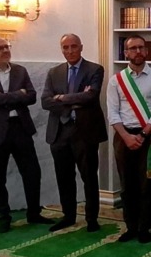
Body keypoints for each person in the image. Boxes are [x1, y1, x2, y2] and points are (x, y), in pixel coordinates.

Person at [0, 35, 53, 233]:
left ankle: (34, 213)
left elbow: (31, 97)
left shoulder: (20, 71)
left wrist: (3, 96)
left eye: (7, 46)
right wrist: (18, 95)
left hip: (20, 128)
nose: (5, 50)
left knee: (32, 173)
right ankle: (3, 217)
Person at [40, 33, 107, 232]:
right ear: (62, 49)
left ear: (81, 47)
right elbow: (45, 101)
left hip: (85, 132)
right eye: (65, 47)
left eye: (74, 46)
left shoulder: (95, 69)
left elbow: (91, 96)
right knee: (64, 177)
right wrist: (72, 102)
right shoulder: (54, 72)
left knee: (89, 177)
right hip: (59, 132)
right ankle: (68, 216)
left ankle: (91, 219)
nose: (70, 51)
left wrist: (61, 98)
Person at [107, 34, 151, 243]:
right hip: (123, 137)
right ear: (126, 53)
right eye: (133, 48)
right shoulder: (116, 80)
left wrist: (141, 135)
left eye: (141, 47)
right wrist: (126, 136)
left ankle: (144, 228)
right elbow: (112, 113)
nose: (138, 51)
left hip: (148, 137)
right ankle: (130, 227)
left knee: (148, 185)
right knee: (127, 184)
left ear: (146, 51)